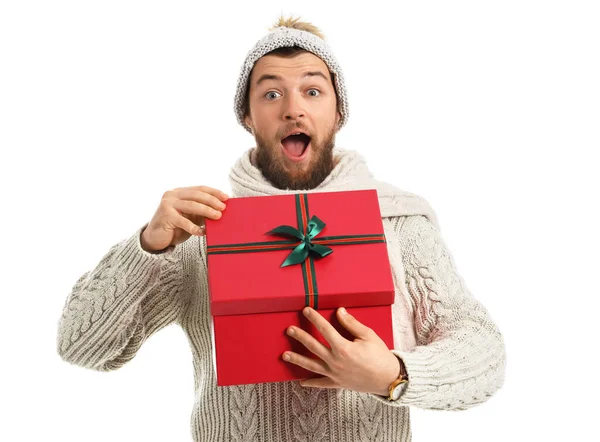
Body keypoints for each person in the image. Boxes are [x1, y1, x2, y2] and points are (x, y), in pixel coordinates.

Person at [56, 15, 506, 442]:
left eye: (313, 91)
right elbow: (82, 346)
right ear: (247, 117)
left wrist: (393, 375)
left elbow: (483, 355)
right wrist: (146, 248)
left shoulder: (399, 222)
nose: (293, 110)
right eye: (272, 94)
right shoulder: (200, 234)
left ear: (338, 112)